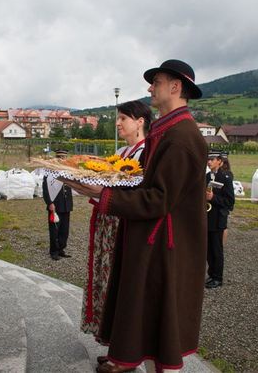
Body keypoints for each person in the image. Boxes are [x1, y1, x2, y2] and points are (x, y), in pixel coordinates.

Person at [64, 59, 207, 372]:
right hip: (151, 236)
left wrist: (103, 195)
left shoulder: (182, 138)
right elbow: (146, 185)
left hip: (166, 243)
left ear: (176, 86)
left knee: (159, 309)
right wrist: (99, 186)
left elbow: (159, 200)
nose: (149, 88)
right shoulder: (167, 130)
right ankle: (126, 355)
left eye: (156, 82)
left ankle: (151, 363)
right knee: (137, 299)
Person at [81, 100, 151, 339]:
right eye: (117, 118)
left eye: (123, 118)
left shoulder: (145, 153)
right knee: (105, 278)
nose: (117, 123)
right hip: (106, 221)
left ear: (140, 121)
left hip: (124, 223)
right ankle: (110, 339)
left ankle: (123, 344)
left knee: (120, 282)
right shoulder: (121, 153)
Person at [205, 150, 235, 289]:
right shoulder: (206, 176)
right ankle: (211, 274)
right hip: (206, 218)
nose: (209, 161)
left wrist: (213, 198)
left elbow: (230, 202)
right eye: (208, 159)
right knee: (208, 249)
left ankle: (218, 277)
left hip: (218, 219)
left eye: (212, 159)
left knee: (217, 249)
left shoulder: (225, 177)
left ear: (219, 161)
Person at [42, 149, 74, 261]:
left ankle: (61, 249)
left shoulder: (68, 171)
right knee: (54, 230)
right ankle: (54, 251)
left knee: (64, 230)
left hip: (66, 205)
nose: (62, 159)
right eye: (60, 157)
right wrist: (49, 203)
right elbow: (45, 189)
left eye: (64, 157)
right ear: (56, 158)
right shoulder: (50, 172)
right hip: (55, 205)